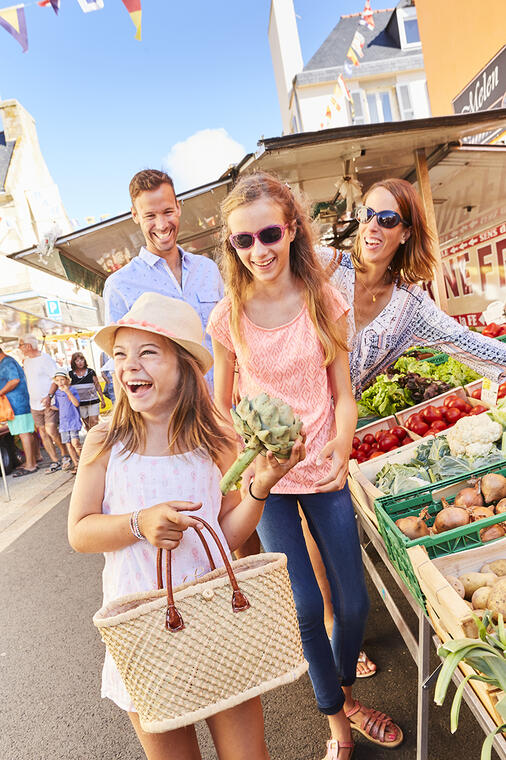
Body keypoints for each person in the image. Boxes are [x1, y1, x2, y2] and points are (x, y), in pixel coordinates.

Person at [207, 172, 402, 760]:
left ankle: (339, 692)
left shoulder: (324, 299)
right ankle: (338, 727)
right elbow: (220, 407)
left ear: (290, 229)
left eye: (269, 233)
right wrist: (240, 468)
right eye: (244, 241)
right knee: (303, 606)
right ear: (233, 248)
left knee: (353, 603)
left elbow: (344, 392)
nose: (259, 250)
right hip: (269, 484)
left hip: (324, 472)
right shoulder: (228, 317)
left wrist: (342, 445)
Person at [67, 292, 304, 760]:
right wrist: (138, 523)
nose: (129, 366)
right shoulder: (105, 442)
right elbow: (79, 532)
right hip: (144, 632)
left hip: (216, 621)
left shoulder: (214, 442)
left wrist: (260, 488)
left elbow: (226, 535)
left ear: (183, 367)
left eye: (147, 353)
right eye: (120, 355)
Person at [325, 177, 506, 395]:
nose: (372, 227)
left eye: (387, 219)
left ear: (406, 233)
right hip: (282, 420)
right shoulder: (326, 268)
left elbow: (468, 344)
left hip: (342, 425)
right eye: (367, 215)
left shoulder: (410, 306)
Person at [102, 169, 224, 390]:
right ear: (135, 215)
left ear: (178, 207)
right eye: (150, 215)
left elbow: (228, 339)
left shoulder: (208, 269)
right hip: (167, 417)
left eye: (168, 211)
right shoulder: (120, 285)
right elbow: (120, 368)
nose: (161, 224)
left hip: (221, 411)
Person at [19, 334, 66, 474]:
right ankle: (54, 460)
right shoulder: (26, 362)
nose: (19, 348)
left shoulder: (45, 359)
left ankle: (65, 455)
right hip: (34, 404)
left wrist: (49, 396)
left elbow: (55, 378)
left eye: (21, 345)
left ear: (28, 346)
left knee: (51, 430)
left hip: (48, 403)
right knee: (43, 433)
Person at [0, 346, 37, 477]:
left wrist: (0, 392)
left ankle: (30, 465)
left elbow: (14, 380)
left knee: (24, 433)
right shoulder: (7, 361)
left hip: (17, 403)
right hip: (18, 403)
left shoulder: (7, 362)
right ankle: (32, 460)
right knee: (26, 433)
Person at [51, 370, 82, 473]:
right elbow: (58, 406)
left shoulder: (72, 390)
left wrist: (67, 392)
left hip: (73, 420)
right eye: (58, 380)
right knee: (68, 444)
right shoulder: (57, 393)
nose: (60, 382)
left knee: (75, 442)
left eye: (62, 379)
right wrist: (48, 407)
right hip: (64, 422)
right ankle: (76, 464)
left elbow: (76, 403)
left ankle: (83, 461)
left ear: (67, 380)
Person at [69, 352, 105, 431]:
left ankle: (96, 440)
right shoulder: (70, 374)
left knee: (94, 422)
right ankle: (91, 440)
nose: (80, 362)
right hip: (80, 403)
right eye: (77, 360)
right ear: (73, 362)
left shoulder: (90, 372)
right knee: (87, 424)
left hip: (93, 401)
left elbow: (97, 385)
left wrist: (102, 399)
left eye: (82, 360)